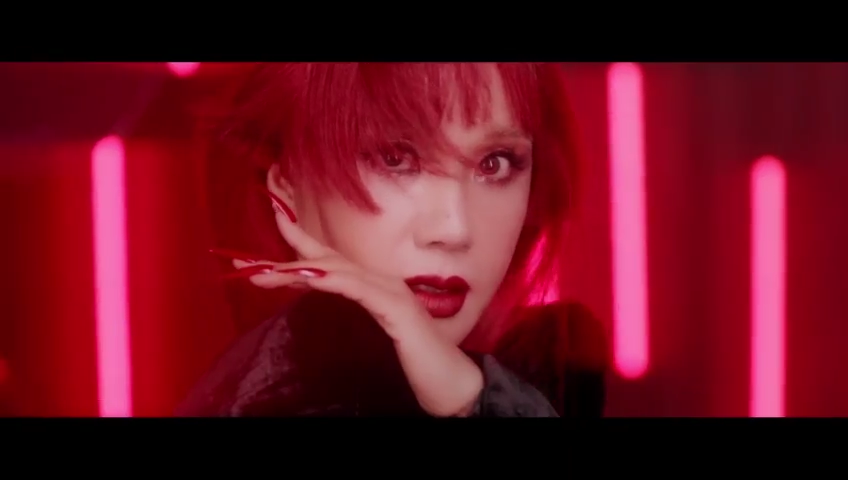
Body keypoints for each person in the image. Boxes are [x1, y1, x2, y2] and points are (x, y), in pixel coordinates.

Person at [176, 62, 605, 417]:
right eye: (396, 159)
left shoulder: (547, 374)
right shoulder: (275, 399)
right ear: (287, 184)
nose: (454, 229)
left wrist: (471, 397)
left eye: (494, 164)